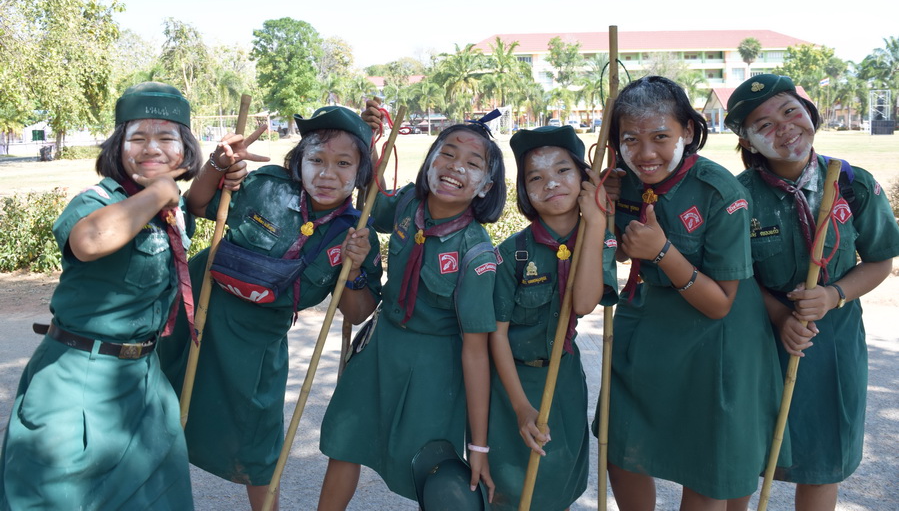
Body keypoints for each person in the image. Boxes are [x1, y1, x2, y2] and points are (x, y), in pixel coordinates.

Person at [0, 82, 249, 510]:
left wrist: (217, 165)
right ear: (118, 147)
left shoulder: (170, 209)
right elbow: (89, 241)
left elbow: (196, 202)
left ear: (184, 149)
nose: (151, 148)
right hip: (77, 383)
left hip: (144, 382)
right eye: (137, 137)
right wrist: (160, 190)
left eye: (167, 137)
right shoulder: (97, 201)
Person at [158, 105, 383, 511]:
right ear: (298, 162)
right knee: (158, 409)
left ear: (360, 172)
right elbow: (199, 204)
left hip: (258, 343)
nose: (327, 174)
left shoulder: (356, 231)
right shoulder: (265, 186)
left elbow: (355, 314)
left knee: (260, 449)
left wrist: (353, 269)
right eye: (317, 159)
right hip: (196, 316)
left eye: (343, 163)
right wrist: (218, 165)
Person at [595, 76, 784, 510]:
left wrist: (662, 252)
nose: (646, 153)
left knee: (705, 464)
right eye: (630, 139)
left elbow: (721, 303)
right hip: (648, 326)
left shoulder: (720, 192)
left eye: (661, 137)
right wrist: (604, 211)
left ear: (687, 131)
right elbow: (620, 253)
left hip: (715, 338)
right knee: (620, 445)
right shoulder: (621, 181)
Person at [316, 104, 506, 510]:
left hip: (434, 372)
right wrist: (370, 142)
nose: (455, 166)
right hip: (380, 349)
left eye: (473, 163)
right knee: (345, 444)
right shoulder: (408, 204)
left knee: (432, 471)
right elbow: (373, 200)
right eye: (447, 153)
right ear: (430, 162)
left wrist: (479, 446)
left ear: (486, 186)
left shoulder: (476, 253)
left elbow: (477, 352)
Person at [725, 74, 899, 511]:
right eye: (764, 125)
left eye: (791, 111)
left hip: (833, 341)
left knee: (825, 460)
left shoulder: (854, 184)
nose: (784, 128)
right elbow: (734, 276)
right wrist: (780, 316)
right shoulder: (737, 197)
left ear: (810, 114)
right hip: (759, 339)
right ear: (746, 142)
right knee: (743, 457)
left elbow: (880, 260)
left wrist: (834, 294)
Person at [488, 126, 617, 510]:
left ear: (584, 178)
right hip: (512, 383)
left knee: (557, 484)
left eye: (563, 170)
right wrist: (520, 407)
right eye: (536, 177)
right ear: (524, 191)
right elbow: (497, 335)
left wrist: (596, 223)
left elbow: (584, 303)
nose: (551, 183)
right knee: (509, 488)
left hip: (564, 379)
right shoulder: (512, 253)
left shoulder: (601, 238)